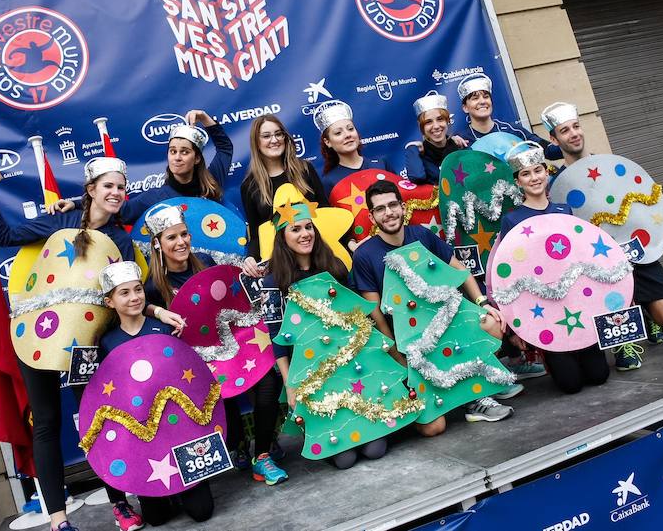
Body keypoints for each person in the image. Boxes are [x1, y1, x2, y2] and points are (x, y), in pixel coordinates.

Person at [0, 156, 133, 531]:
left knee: (97, 419)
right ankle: (58, 520)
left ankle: (120, 504)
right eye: (108, 186)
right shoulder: (60, 220)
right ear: (91, 189)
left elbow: (122, 297)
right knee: (46, 423)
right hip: (37, 334)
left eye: (121, 187)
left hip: (86, 345)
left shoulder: (120, 240)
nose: (115, 193)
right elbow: (6, 237)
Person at [351, 180, 513, 432]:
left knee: (492, 323)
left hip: (446, 322)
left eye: (393, 205)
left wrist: (482, 303)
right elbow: (375, 315)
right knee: (433, 428)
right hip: (409, 340)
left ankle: (479, 393)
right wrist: (395, 353)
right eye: (380, 209)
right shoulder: (365, 255)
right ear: (372, 217)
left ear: (403, 207)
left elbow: (459, 269)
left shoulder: (421, 235)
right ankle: (448, 398)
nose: (388, 213)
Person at [143, 205, 287, 485]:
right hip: (196, 362)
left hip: (235, 344)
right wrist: (156, 312)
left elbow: (236, 293)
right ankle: (238, 445)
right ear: (157, 244)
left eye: (184, 234)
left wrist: (247, 269)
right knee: (223, 397)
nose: (181, 242)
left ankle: (263, 454)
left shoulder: (206, 261)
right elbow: (138, 311)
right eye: (171, 238)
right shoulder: (152, 287)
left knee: (268, 380)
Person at [543, 102, 663, 371]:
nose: (573, 134)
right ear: (554, 138)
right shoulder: (556, 185)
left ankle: (646, 311)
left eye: (576, 126)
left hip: (638, 256)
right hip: (599, 270)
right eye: (565, 130)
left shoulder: (612, 166)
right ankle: (624, 343)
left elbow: (645, 201)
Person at [94, 261, 212, 528]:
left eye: (137, 289)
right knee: (157, 519)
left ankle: (185, 489)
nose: (134, 297)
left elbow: (189, 377)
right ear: (109, 302)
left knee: (203, 511)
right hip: (144, 441)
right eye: (124, 293)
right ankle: (166, 496)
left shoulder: (164, 327)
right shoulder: (107, 342)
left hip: (180, 432)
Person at [262, 197, 370, 469]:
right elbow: (276, 337)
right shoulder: (273, 281)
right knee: (345, 459)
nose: (304, 234)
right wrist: (290, 384)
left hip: (345, 365)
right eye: (295, 229)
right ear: (282, 237)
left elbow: (356, 315)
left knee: (375, 448)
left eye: (308, 227)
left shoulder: (333, 267)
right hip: (308, 372)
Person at [497, 144, 609, 394]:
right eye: (526, 174)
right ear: (518, 182)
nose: (534, 178)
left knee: (599, 376)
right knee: (571, 385)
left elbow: (580, 254)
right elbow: (509, 274)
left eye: (538, 170)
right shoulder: (511, 220)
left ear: (546, 172)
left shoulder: (564, 210)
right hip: (543, 310)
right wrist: (518, 325)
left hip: (576, 301)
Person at [51, 109, 233, 220]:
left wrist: (204, 118)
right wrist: (75, 204)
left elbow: (225, 148)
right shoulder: (156, 197)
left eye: (185, 152)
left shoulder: (212, 180)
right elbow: (121, 209)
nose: (177, 157)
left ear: (197, 158)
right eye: (172, 151)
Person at [240, 114, 328, 276]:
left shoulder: (305, 170)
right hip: (284, 268)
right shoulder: (250, 186)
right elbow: (256, 233)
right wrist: (251, 258)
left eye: (278, 134)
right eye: (266, 136)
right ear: (256, 142)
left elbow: (326, 212)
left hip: (320, 259)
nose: (274, 140)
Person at [453, 73, 561, 160]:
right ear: (465, 108)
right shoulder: (461, 140)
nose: (482, 101)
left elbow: (547, 151)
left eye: (486, 97)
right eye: (475, 98)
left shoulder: (513, 130)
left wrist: (570, 140)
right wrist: (449, 144)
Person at [314, 99, 398, 196]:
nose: (347, 135)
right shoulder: (329, 182)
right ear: (327, 142)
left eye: (350, 129)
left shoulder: (382, 165)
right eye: (338, 133)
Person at [404, 92, 469, 184]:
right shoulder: (421, 156)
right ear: (422, 127)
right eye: (428, 122)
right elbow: (417, 177)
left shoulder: (460, 147)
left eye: (440, 119)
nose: (436, 126)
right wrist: (412, 148)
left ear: (447, 121)